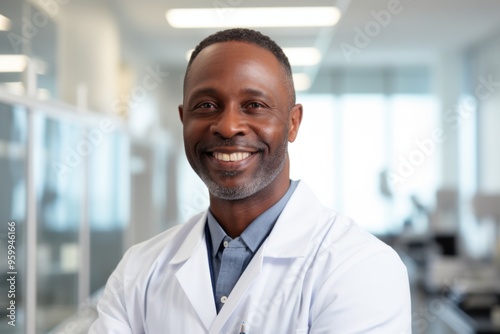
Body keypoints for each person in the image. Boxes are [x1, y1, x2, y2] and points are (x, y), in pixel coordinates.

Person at [89, 28, 411, 333]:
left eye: (254, 105)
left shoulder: (361, 268)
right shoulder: (138, 271)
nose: (228, 126)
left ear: (293, 123)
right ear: (184, 119)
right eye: (207, 105)